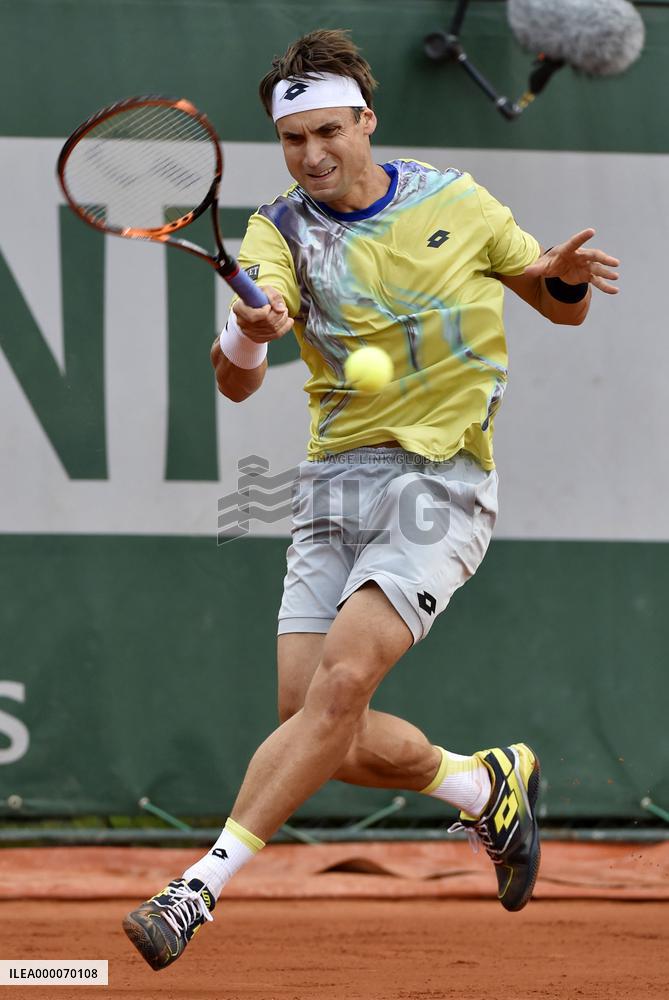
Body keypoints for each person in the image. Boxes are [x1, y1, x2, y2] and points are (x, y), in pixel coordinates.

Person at [122, 29, 619, 971]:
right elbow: (234, 381)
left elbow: (556, 302)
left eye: (328, 132)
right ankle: (484, 786)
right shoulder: (274, 232)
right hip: (333, 483)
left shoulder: (454, 201)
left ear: (366, 120)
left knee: (342, 688)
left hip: (442, 477)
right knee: (316, 724)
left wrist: (560, 277)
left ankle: (197, 890)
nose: (313, 155)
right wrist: (250, 331)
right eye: (293, 139)